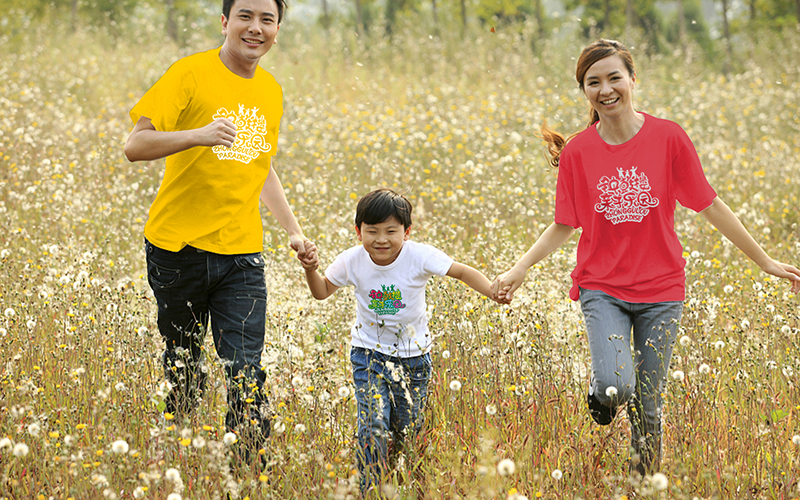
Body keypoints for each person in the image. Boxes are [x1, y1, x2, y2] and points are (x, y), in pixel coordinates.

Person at [491, 39, 800, 477]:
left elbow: (709, 204)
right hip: (603, 288)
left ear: (633, 81)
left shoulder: (668, 137)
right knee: (617, 386)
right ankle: (602, 397)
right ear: (585, 91)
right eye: (593, 82)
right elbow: (564, 223)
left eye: (614, 77)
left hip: (663, 290)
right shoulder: (578, 151)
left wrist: (765, 261)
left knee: (649, 404)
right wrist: (519, 268)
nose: (606, 89)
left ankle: (644, 485)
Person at [124, 0, 315, 462]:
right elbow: (135, 145)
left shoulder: (270, 90)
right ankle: (177, 458)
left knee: (247, 371)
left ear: (277, 29)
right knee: (184, 366)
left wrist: (292, 229)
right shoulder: (189, 74)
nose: (256, 28)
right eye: (245, 17)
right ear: (225, 22)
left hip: (242, 254)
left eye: (267, 20)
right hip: (177, 248)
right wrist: (198, 134)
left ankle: (248, 472)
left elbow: (259, 164)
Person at [301, 188, 495, 493]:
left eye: (391, 231)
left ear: (406, 232)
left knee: (406, 432)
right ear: (358, 231)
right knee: (373, 425)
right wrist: (310, 269)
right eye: (372, 231)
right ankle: (369, 488)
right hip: (368, 353)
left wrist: (492, 290)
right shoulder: (352, 260)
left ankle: (402, 482)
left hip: (414, 358)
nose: (381, 239)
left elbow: (460, 271)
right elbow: (322, 290)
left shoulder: (419, 255)